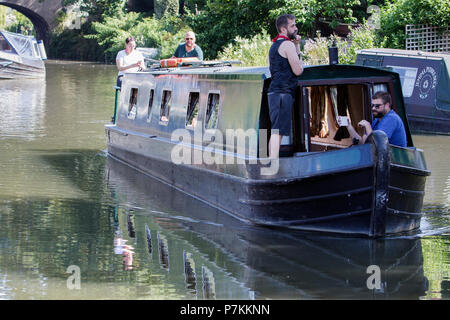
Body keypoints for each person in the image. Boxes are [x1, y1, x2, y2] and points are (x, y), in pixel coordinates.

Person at [267, 14, 304, 158]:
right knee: (278, 131)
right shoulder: (287, 45)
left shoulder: (275, 45)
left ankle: (272, 160)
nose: (296, 28)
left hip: (275, 92)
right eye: (292, 26)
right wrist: (298, 52)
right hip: (283, 93)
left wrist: (297, 45)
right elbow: (298, 70)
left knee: (276, 130)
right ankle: (273, 162)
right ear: (283, 29)